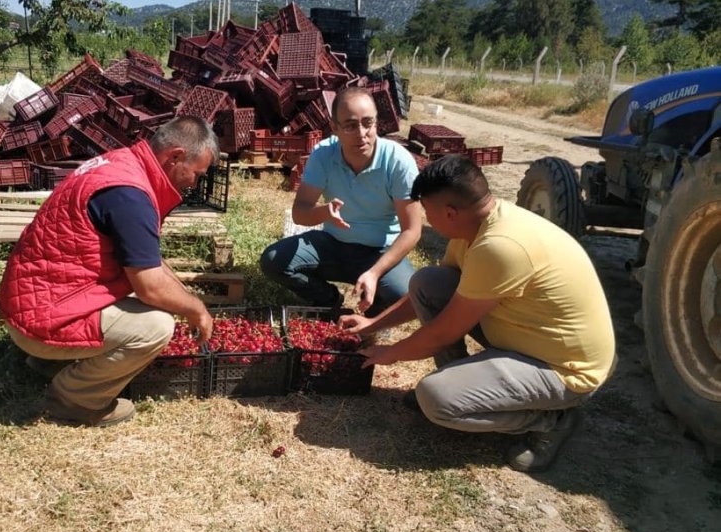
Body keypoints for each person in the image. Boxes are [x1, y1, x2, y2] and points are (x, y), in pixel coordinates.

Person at [342, 154, 616, 472]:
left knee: (436, 400)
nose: (428, 220)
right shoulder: (477, 227)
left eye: (428, 212)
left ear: (449, 212)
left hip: (565, 369)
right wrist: (373, 323)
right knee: (428, 281)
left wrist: (392, 352)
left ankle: (550, 420)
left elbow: (443, 332)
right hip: (529, 336)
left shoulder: (499, 246)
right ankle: (467, 388)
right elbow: (433, 297)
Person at [0, 116, 219, 427]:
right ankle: (74, 400)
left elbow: (148, 261)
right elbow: (150, 287)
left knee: (154, 304)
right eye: (195, 174)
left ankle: (49, 362)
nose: (193, 183)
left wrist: (186, 298)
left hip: (36, 302)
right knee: (156, 325)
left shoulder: (122, 165)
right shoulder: (131, 195)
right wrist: (197, 311)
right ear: (175, 156)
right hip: (40, 319)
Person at [260, 87, 422, 316]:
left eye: (368, 123)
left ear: (377, 123)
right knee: (273, 260)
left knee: (406, 292)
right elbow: (300, 212)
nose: (361, 133)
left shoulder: (397, 161)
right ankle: (328, 299)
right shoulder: (324, 154)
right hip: (333, 244)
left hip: (380, 250)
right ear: (334, 128)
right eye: (350, 125)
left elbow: (412, 230)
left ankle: (376, 308)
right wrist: (324, 212)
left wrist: (375, 273)